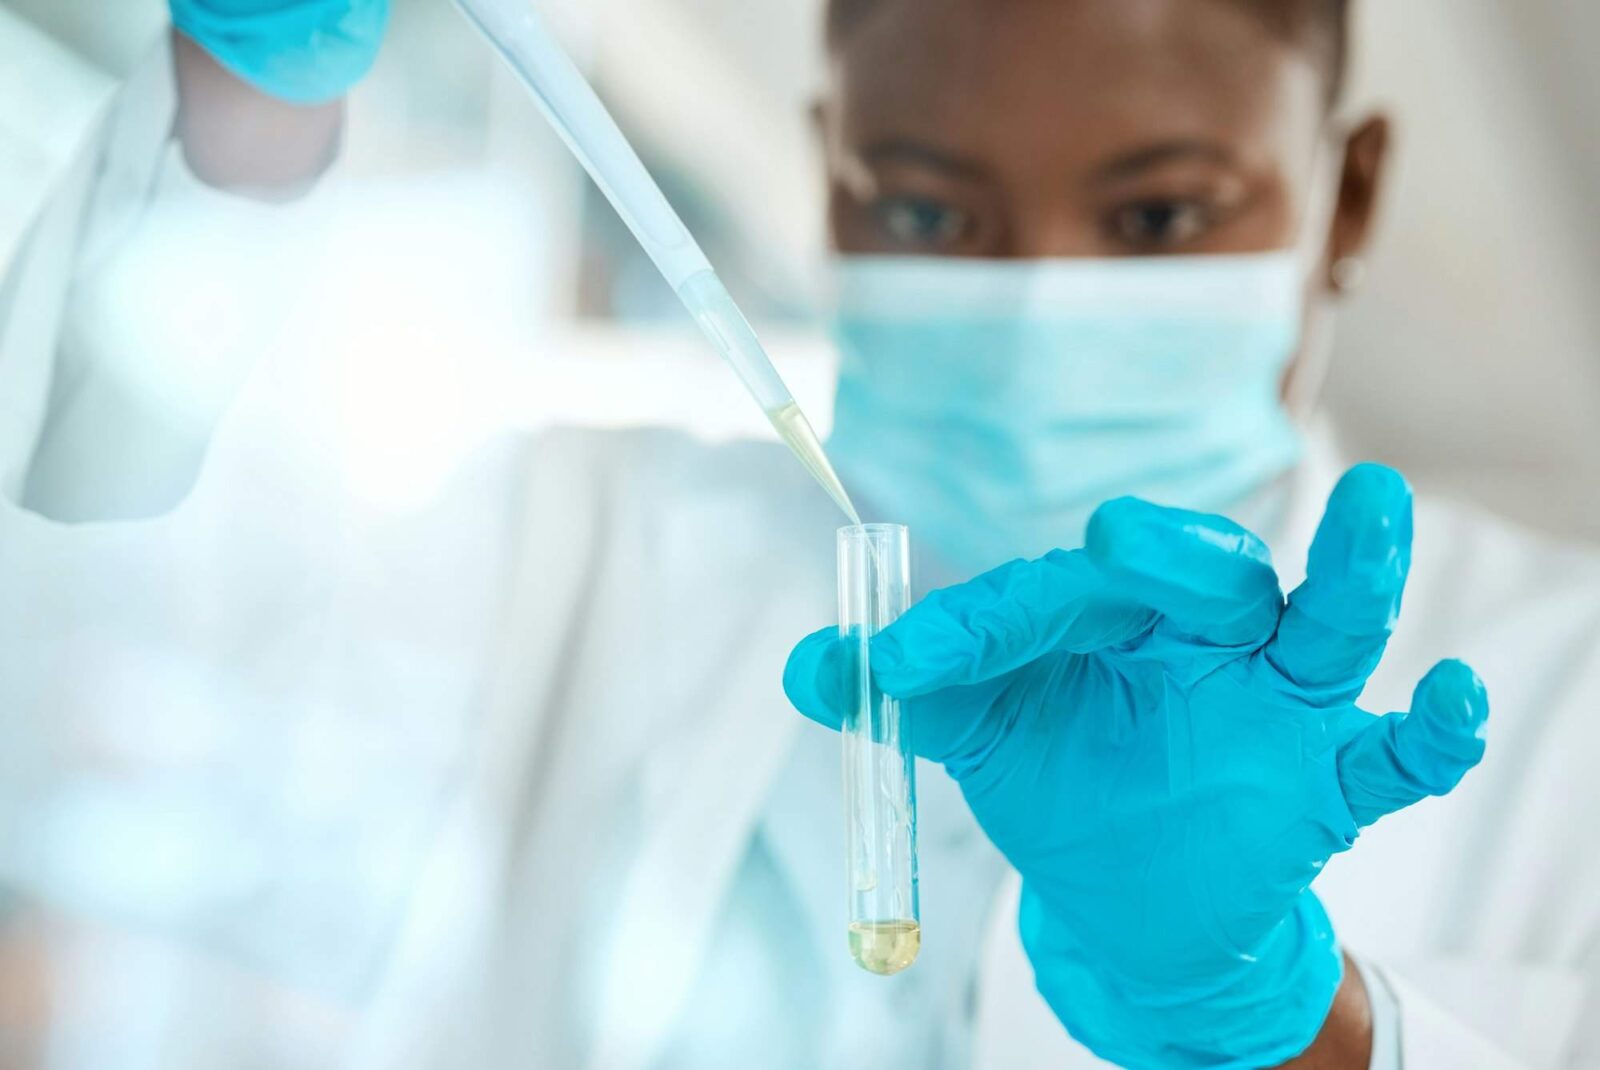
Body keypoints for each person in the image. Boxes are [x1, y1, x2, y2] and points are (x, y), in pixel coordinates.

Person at [1, 2, 1596, 1069]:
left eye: (1159, 215)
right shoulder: (606, 546)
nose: (1034, 294)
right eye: (923, 211)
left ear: (1351, 196)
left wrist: (1286, 1025)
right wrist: (241, 124)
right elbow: (110, 634)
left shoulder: (1558, 692)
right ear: (831, 184)